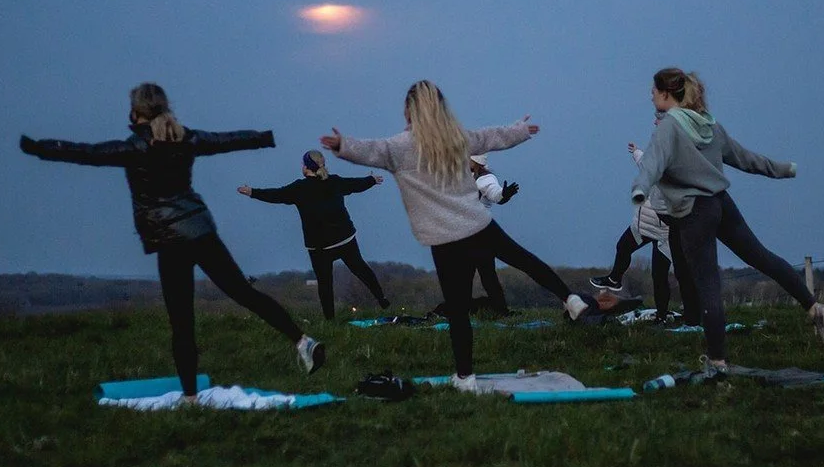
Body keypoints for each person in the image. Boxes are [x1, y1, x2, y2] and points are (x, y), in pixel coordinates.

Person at [19, 83, 325, 403]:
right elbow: (225, 140)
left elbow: (87, 153)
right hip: (201, 230)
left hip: (170, 239)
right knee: (244, 292)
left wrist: (39, 148)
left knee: (181, 320)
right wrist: (263, 138)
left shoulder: (135, 147)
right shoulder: (186, 137)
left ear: (136, 112)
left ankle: (191, 398)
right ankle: (303, 341)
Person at [320, 80, 589, 391]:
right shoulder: (456, 139)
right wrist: (519, 131)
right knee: (524, 260)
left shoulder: (399, 147)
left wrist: (342, 146)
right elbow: (490, 137)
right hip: (477, 224)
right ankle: (570, 298)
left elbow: (370, 151)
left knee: (458, 310)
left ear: (409, 112)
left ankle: (465, 378)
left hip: (445, 240)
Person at [631, 68, 824, 377]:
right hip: (721, 204)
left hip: (693, 213)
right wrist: (784, 169)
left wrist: (639, 190)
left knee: (708, 287)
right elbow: (746, 158)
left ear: (665, 94)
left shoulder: (668, 127)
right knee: (763, 258)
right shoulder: (709, 125)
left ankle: (717, 364)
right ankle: (815, 308)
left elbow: (652, 162)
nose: (649, 95)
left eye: (653, 90)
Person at [236, 150, 392, 320]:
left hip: (319, 246)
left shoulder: (299, 188)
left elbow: (276, 195)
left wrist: (252, 192)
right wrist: (371, 180)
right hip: (344, 238)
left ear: (306, 168)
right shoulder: (334, 182)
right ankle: (381, 298)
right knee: (361, 269)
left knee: (325, 283)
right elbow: (355, 184)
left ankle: (330, 320)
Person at [588, 133, 699, 323]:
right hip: (642, 224)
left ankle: (662, 316)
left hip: (664, 232)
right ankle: (615, 278)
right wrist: (636, 151)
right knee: (622, 247)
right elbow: (643, 161)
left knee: (659, 276)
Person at [465, 153, 520, 315]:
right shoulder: (467, 175)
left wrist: (504, 194)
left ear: (475, 161)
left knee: (486, 274)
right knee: (468, 274)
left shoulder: (485, 179)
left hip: (480, 234)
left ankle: (501, 310)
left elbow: (495, 194)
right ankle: (465, 307)